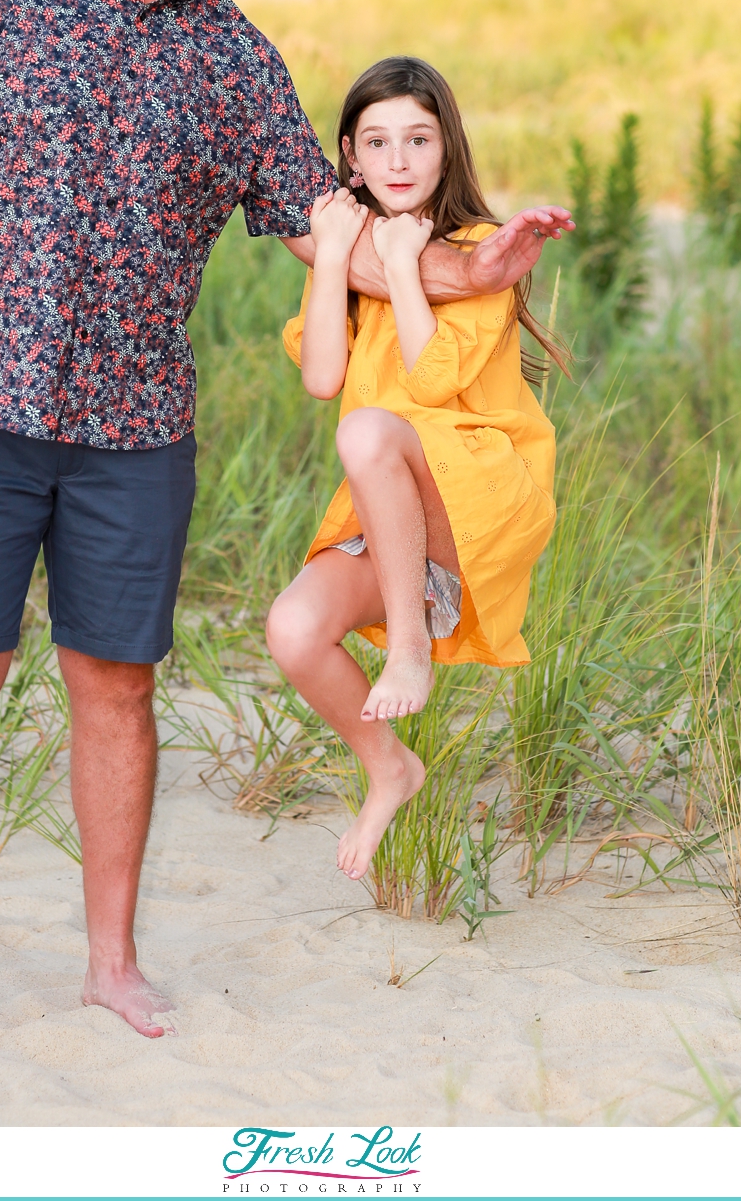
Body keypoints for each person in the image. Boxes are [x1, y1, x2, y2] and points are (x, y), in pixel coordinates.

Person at [0, 0, 571, 1066]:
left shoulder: (234, 55)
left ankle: (111, 964)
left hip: (135, 432)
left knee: (115, 692)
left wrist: (479, 267)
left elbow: (324, 230)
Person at [268, 57, 571, 883]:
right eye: (377, 142)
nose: (398, 162)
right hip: (396, 516)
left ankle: (411, 648)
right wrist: (335, 256)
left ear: (447, 149)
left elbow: (433, 383)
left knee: (369, 431)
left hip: (482, 497)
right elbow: (321, 376)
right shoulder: (358, 255)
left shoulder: (478, 252)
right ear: (350, 155)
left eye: (418, 139)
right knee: (292, 630)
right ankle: (389, 766)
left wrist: (404, 264)